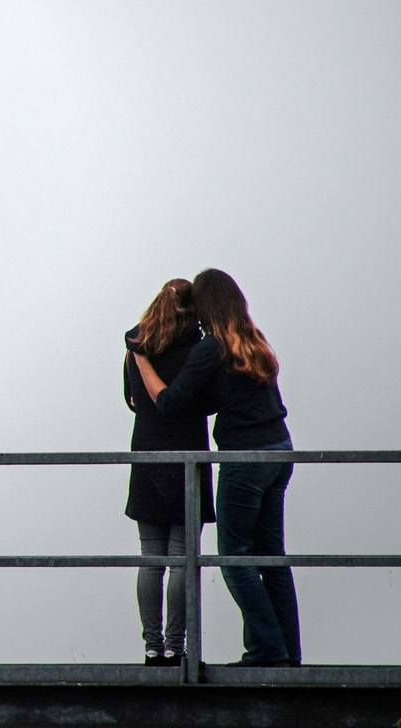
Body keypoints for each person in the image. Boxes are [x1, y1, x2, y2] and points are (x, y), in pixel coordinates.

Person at [135, 268, 299, 667]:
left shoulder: (212, 348)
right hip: (279, 450)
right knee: (271, 558)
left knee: (233, 558)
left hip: (244, 460)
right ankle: (288, 654)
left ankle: (266, 650)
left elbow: (170, 402)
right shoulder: (252, 338)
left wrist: (140, 356)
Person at [121, 278, 213, 668]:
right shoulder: (196, 351)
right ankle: (177, 647)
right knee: (181, 558)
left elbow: (130, 400)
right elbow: (208, 402)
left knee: (150, 558)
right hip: (187, 458)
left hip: (146, 456)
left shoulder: (135, 351)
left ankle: (151, 646)